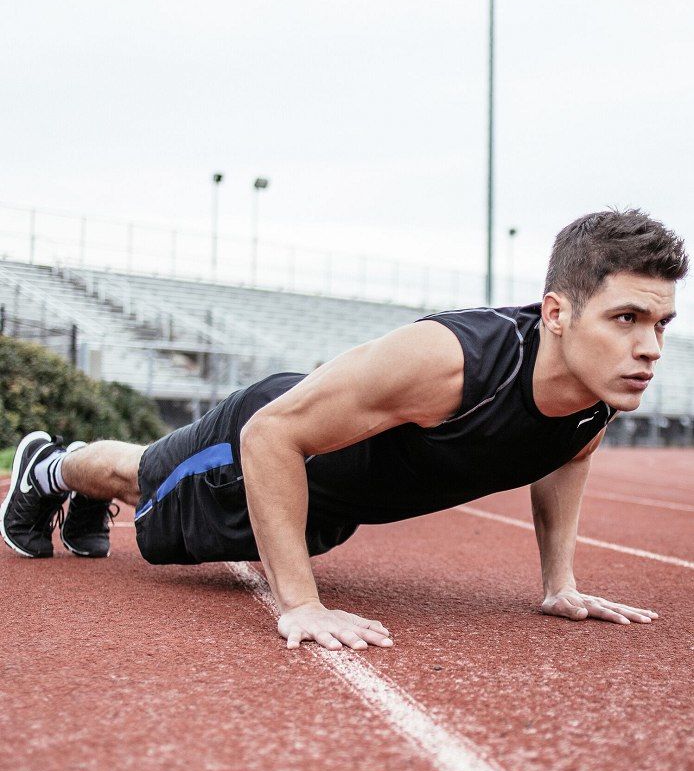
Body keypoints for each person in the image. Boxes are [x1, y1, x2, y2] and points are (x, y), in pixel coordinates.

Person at [1, 209, 688, 651]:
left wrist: (559, 583)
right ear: (557, 314)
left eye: (661, 324)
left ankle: (76, 486)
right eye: (626, 318)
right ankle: (50, 468)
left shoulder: (598, 392)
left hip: (332, 500)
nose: (650, 348)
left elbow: (566, 457)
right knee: (146, 480)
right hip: (259, 445)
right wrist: (300, 604)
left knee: (170, 495)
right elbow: (270, 436)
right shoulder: (452, 361)